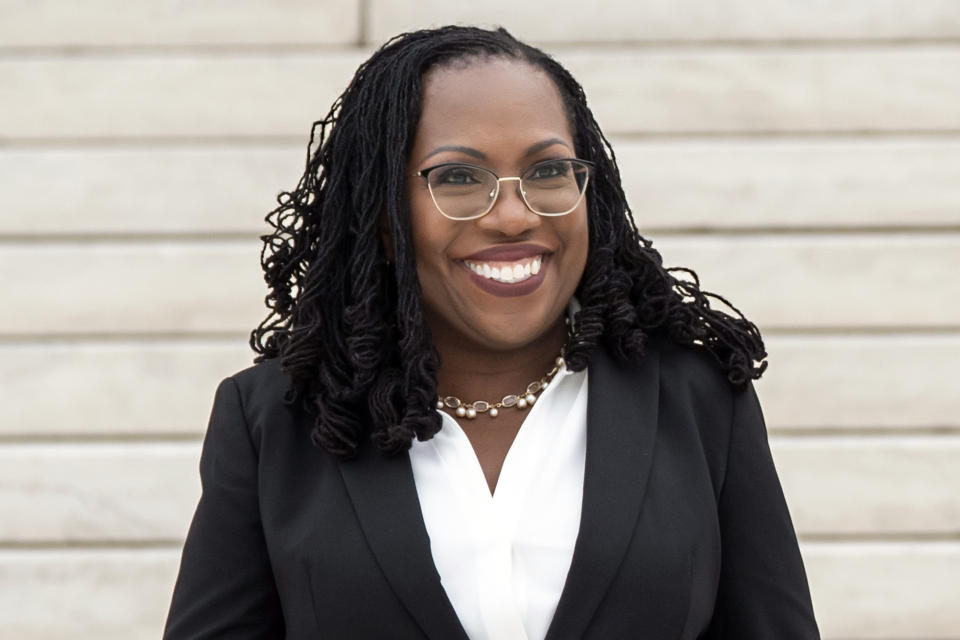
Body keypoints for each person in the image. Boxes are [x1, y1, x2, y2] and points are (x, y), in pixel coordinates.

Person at [163, 25, 820, 640]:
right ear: (385, 217)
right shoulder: (273, 421)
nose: (512, 216)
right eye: (458, 178)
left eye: (547, 171)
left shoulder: (699, 403)